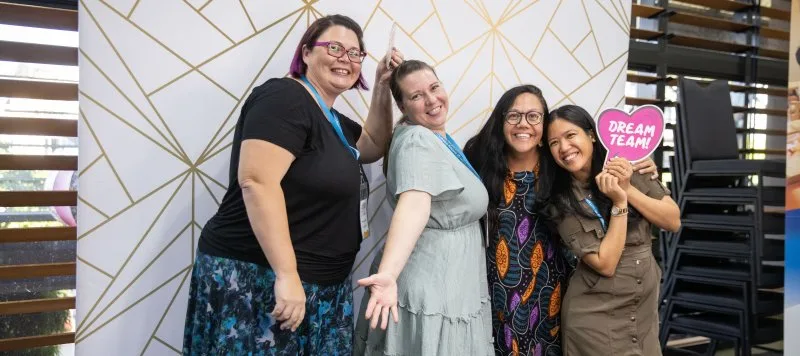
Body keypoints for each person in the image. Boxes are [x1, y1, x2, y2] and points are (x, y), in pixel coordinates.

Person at [182, 14, 403, 355]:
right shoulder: (284, 97)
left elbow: (373, 143)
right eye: (334, 47)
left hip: (321, 286)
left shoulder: (334, 121)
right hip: (262, 279)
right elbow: (257, 181)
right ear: (306, 53)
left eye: (355, 52)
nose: (345, 57)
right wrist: (286, 274)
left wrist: (384, 85)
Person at [463, 87, 659, 356]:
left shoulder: (557, 163)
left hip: (554, 286)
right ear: (501, 120)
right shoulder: (480, 159)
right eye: (514, 116)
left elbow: (596, 171)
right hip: (500, 287)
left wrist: (639, 166)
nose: (524, 124)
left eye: (534, 116)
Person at [354, 60, 493, 355]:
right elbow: (415, 204)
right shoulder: (418, 139)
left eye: (434, 87)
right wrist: (389, 275)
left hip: (450, 278)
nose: (431, 100)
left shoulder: (434, 136)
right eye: (416, 96)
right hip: (431, 283)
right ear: (403, 106)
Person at [543, 105, 680, 356]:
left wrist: (627, 189)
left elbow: (672, 221)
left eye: (571, 135)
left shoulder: (628, 163)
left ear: (591, 135)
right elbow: (606, 263)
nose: (564, 147)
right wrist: (619, 203)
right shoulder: (559, 200)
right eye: (554, 142)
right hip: (594, 316)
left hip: (642, 307)